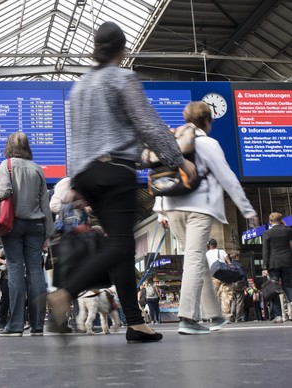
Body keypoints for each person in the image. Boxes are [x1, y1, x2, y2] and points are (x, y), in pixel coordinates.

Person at [47, 21, 196, 343]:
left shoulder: (81, 86)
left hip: (87, 172)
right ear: (122, 50)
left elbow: (73, 138)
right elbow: (148, 124)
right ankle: (65, 293)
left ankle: (135, 322)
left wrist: (77, 182)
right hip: (115, 171)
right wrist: (178, 159)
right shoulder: (122, 77)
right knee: (121, 244)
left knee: (120, 245)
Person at [155, 101, 258, 335]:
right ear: (208, 121)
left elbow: (162, 175)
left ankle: (214, 315)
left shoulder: (174, 142)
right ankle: (187, 318)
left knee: (198, 260)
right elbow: (227, 177)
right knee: (194, 259)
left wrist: (160, 210)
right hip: (199, 209)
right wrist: (247, 209)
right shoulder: (209, 143)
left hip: (172, 208)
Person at [0, 131, 54, 337]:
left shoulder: (7, 165)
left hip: (13, 225)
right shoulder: (38, 169)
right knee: (36, 273)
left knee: (15, 270)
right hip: (36, 225)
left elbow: (3, 192)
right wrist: (48, 232)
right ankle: (38, 325)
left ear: (9, 146)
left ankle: (16, 325)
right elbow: (45, 203)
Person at [261, 212, 292, 324]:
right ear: (281, 220)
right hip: (287, 262)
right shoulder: (287, 231)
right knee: (288, 286)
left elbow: (265, 251)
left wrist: (264, 267)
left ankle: (278, 316)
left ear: (270, 222)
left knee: (273, 289)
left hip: (273, 264)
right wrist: (285, 226)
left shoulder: (267, 233)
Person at [206, 239, 233, 320]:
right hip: (224, 275)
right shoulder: (221, 251)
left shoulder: (206, 254)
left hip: (213, 276)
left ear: (208, 246)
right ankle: (226, 314)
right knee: (226, 293)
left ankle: (215, 315)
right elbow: (229, 262)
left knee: (214, 295)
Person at [229, 251, 246, 322]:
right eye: (238, 256)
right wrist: (245, 285)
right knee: (239, 301)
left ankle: (232, 316)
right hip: (239, 285)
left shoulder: (229, 265)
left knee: (233, 301)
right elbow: (243, 275)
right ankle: (238, 318)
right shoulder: (240, 265)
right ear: (236, 256)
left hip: (232, 284)